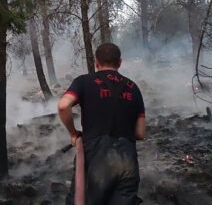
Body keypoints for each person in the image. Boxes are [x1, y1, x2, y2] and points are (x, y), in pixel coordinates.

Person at [58, 43, 146, 205]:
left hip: (95, 158)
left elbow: (63, 105)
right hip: (127, 160)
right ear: (119, 63)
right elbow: (140, 133)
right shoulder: (133, 88)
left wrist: (72, 133)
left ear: (96, 63)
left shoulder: (84, 81)